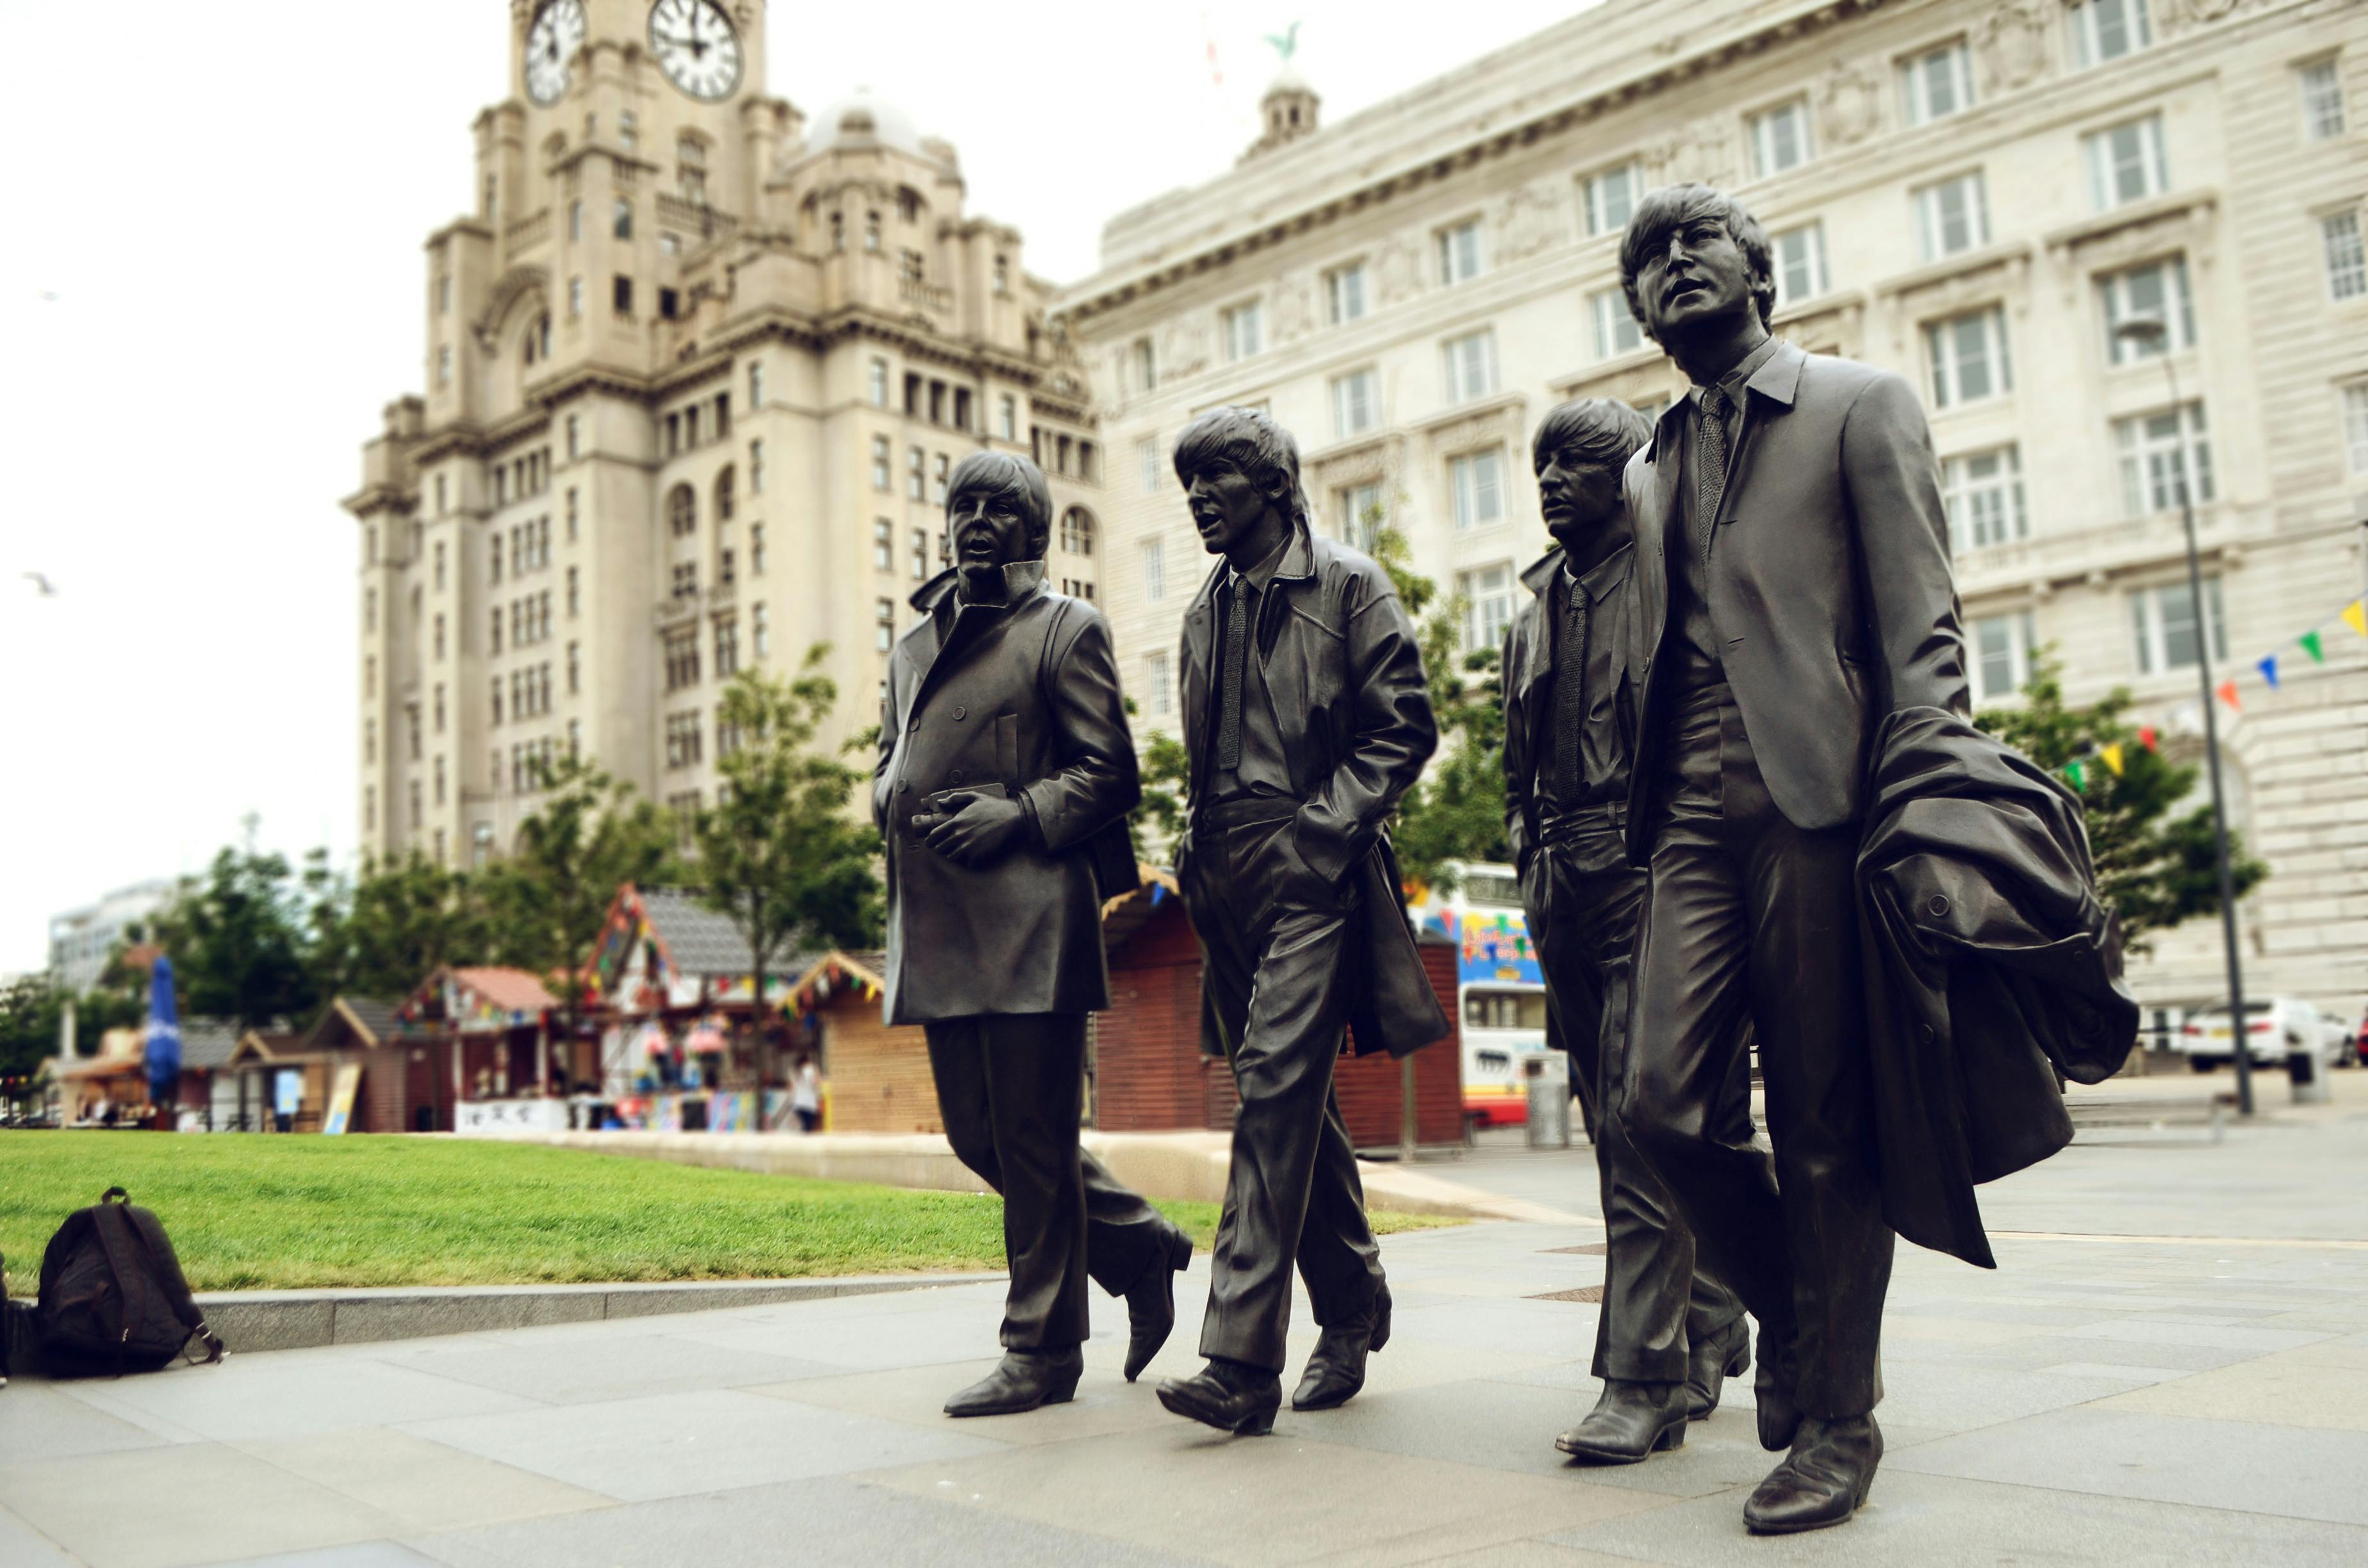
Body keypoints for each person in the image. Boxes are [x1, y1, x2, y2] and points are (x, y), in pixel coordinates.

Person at [1610, 183, 1969, 1534]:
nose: (1675, 265)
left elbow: (1923, 630)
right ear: (1640, 313)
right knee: (1660, 1107)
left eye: (1699, 241)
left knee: (1826, 1126)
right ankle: (1807, 1329)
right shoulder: (1648, 462)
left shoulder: (1858, 405)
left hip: (1824, 796)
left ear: (1762, 271)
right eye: (1648, 258)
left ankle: (1839, 1417)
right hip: (1688, 814)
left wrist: (1919, 800)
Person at [876, 450, 1194, 1419]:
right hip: (934, 919)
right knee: (984, 1138)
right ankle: (1140, 1245)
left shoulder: (1067, 628)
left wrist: (1014, 813)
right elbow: (895, 753)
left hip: (1030, 922)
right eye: (962, 504)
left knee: (1033, 1135)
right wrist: (888, 791)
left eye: (999, 508)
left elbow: (1109, 772)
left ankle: (1043, 1349)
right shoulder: (911, 646)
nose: (976, 520)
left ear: (1035, 529)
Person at [1153, 407, 1448, 1437]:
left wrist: (1320, 834)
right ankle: (1357, 1303)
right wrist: (1194, 851)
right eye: (1187, 482)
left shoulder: (1350, 586)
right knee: (1293, 1104)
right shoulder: (1203, 611)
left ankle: (1239, 1363)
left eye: (1216, 480)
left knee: (1274, 1091)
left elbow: (1405, 725)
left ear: (1272, 485)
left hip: (1310, 864)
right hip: (1221, 875)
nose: (1196, 498)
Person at [1501, 398, 1750, 1466]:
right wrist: (1528, 849)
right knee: (1618, 1125)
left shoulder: (1674, 577)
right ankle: (1712, 1310)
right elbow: (1517, 757)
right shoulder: (1534, 603)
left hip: (1654, 868)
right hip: (1564, 876)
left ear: (1629, 474)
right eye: (1541, 463)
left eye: (1575, 461)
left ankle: (1637, 1375)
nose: (1551, 479)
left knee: (1647, 1127)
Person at [790, 1054, 821, 1134]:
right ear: (807, 1062)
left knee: (804, 1128)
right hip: (809, 1104)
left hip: (798, 1104)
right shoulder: (810, 1070)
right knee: (808, 1128)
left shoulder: (794, 1071)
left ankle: (802, 1143)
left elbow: (792, 1088)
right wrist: (816, 1071)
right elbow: (817, 1082)